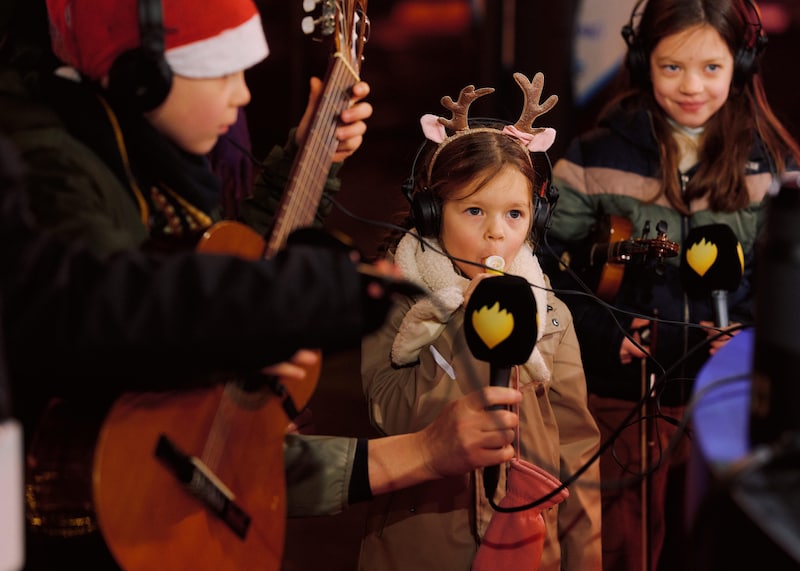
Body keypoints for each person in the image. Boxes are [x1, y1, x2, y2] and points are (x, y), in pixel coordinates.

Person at [0, 130, 525, 569]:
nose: (243, 93)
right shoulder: (63, 179)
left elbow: (228, 260)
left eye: (516, 215)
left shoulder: (545, 310)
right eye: (223, 70)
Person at [539, 1, 800, 570]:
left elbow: (784, 288)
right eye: (671, 67)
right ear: (641, 60)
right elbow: (543, 272)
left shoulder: (771, 163)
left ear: (743, 63)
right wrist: (606, 336)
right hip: (617, 405)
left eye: (711, 67)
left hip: (723, 411)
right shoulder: (593, 157)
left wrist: (748, 337)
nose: (692, 88)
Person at [358, 73, 603, 571]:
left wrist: (585, 559)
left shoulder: (551, 315)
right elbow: (390, 415)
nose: (496, 233)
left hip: (531, 548)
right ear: (430, 212)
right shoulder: (398, 300)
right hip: (421, 546)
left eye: (514, 214)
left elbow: (577, 452)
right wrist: (462, 327)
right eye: (473, 210)